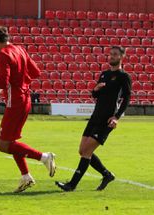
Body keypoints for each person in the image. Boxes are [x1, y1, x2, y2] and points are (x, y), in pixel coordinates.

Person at [0, 26, 56, 193]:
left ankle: (44, 157)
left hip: (15, 102)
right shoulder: (20, 49)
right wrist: (21, 79)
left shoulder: (4, 55)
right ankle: (26, 176)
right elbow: (36, 72)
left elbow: (2, 83)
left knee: (3, 145)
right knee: (11, 142)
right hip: (25, 99)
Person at [55, 46, 132, 192]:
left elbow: (127, 98)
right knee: (82, 150)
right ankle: (106, 175)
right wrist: (95, 90)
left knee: (87, 151)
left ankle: (72, 185)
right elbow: (96, 95)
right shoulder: (104, 74)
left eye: (115, 54)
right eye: (111, 54)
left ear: (122, 57)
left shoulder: (123, 77)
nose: (112, 56)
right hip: (95, 117)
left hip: (107, 120)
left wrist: (116, 117)